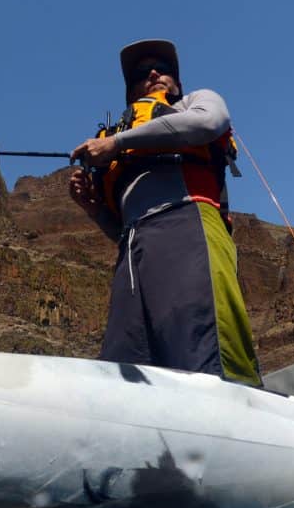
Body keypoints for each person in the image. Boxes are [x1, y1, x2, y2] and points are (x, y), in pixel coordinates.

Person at [69, 39, 261, 386]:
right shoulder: (121, 133)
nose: (154, 73)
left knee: (199, 349)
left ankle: (231, 408)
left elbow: (211, 122)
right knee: (126, 362)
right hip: (132, 247)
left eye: (163, 69)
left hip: (189, 225)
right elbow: (119, 229)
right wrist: (94, 209)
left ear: (177, 80)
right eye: (142, 73)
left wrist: (117, 143)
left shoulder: (196, 101)